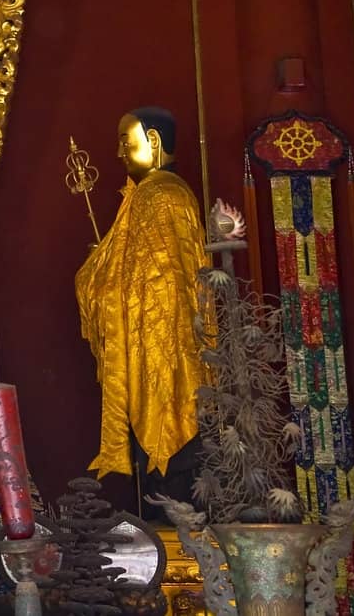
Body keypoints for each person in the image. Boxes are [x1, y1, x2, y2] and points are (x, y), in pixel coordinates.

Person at [75, 107, 209, 505]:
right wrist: (104, 264)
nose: (118, 152)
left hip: (163, 351)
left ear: (152, 140)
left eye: (124, 141)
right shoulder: (147, 196)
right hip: (153, 347)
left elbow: (158, 285)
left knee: (170, 467)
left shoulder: (160, 195)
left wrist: (104, 274)